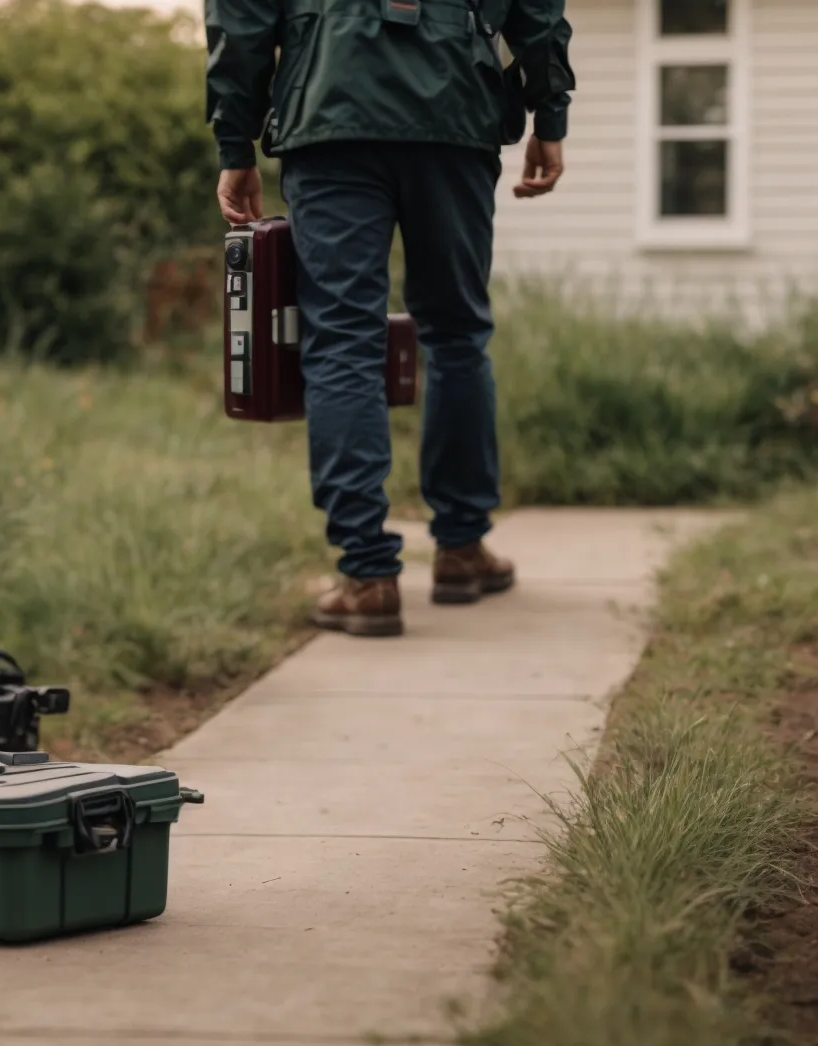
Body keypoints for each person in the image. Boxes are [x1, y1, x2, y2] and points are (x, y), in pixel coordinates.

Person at [204, 0, 574, 637]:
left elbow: (239, 19)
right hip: (455, 114)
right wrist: (551, 113)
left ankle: (369, 577)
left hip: (331, 115)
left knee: (342, 338)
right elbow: (537, 12)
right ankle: (460, 549)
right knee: (457, 332)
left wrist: (234, 144)